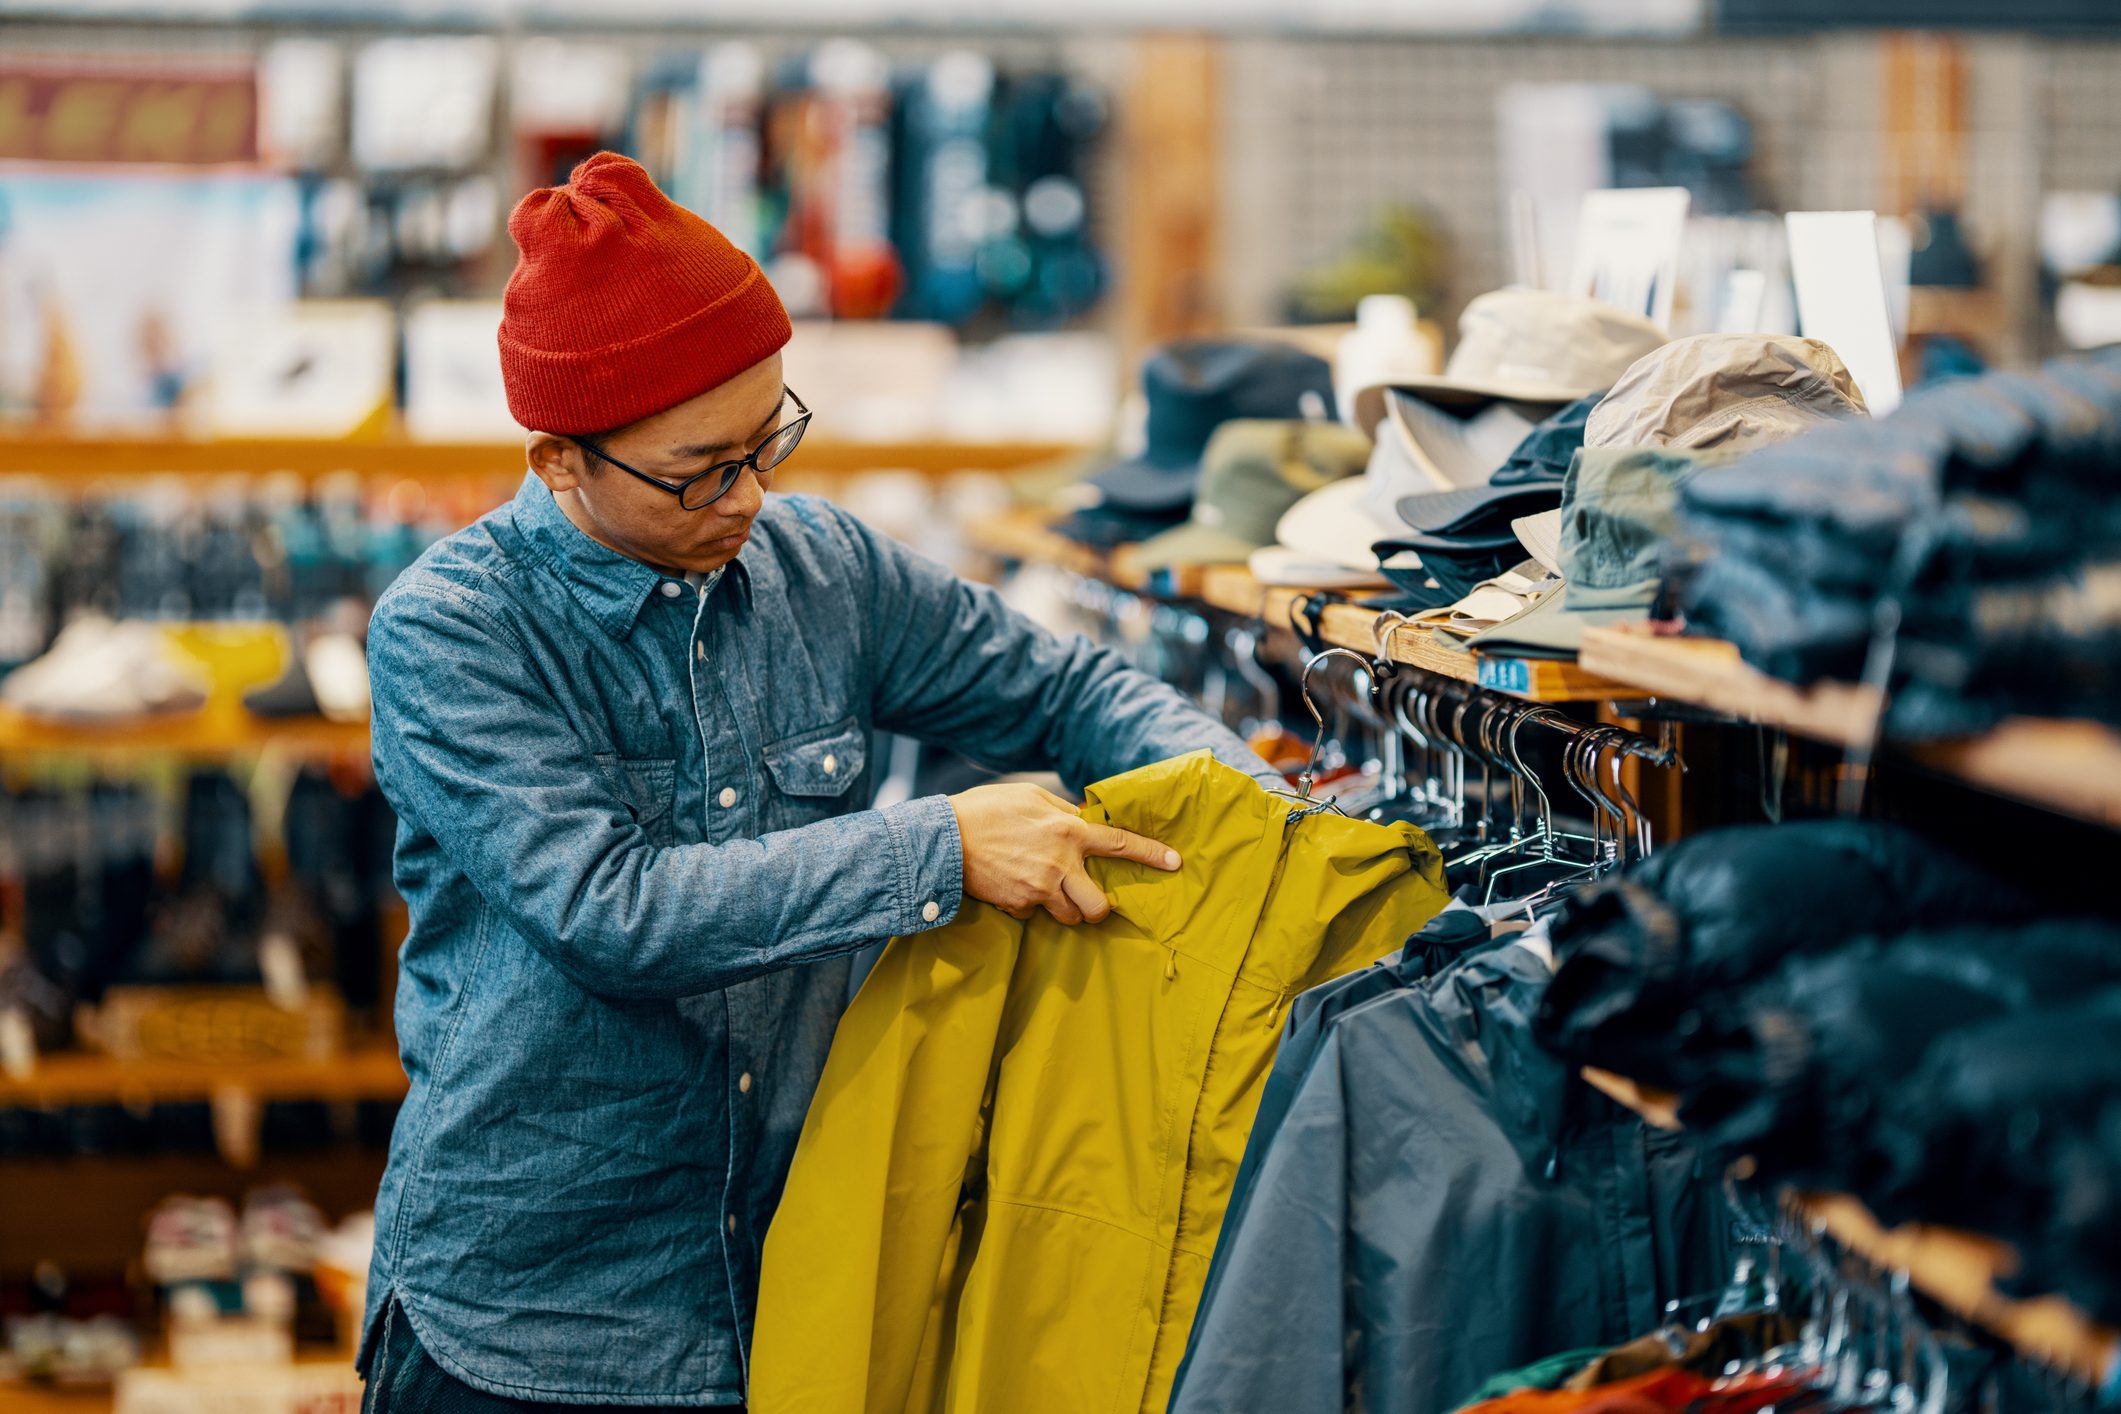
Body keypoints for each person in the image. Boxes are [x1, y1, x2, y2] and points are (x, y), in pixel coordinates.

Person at [357, 152, 1276, 1412]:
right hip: (536, 1312)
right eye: (701, 469)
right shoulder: (454, 632)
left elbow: (1066, 689)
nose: (751, 495)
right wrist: (939, 849)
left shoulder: (820, 568)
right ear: (562, 461)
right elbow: (611, 913)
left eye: (769, 438)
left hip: (794, 1291)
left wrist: (1259, 818)